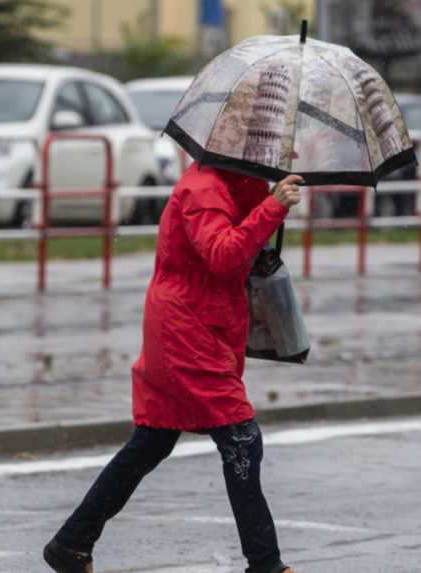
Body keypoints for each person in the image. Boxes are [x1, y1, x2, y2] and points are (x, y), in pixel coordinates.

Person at [43, 166, 304, 573]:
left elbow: (242, 241)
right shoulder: (203, 190)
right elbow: (223, 255)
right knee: (241, 439)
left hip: (200, 325)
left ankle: (72, 543)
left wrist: (271, 199)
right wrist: (272, 207)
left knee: (152, 441)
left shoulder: (234, 183)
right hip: (186, 331)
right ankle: (266, 563)